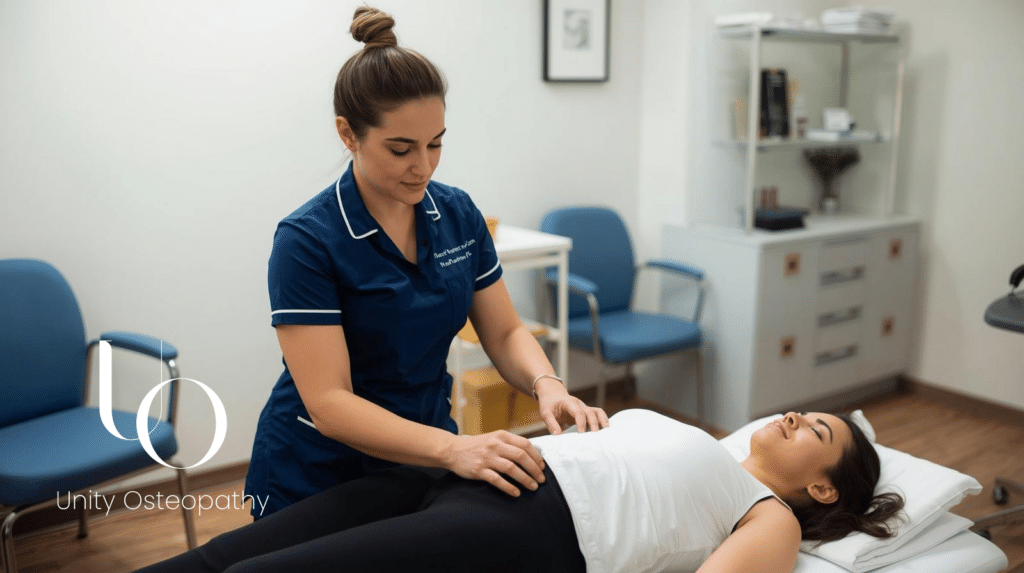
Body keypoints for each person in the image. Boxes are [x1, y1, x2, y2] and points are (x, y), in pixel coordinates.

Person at [245, 6, 609, 520]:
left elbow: (503, 333)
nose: (423, 166)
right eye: (401, 150)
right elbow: (328, 402)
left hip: (426, 455)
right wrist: (455, 449)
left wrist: (547, 385)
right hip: (319, 471)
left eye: (436, 143)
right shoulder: (307, 240)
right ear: (348, 133)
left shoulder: (457, 213)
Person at [135, 409, 905, 573]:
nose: (799, 414)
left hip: (535, 527)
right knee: (224, 553)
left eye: (820, 431)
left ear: (821, 484)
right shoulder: (706, 439)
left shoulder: (765, 515)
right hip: (474, 465)